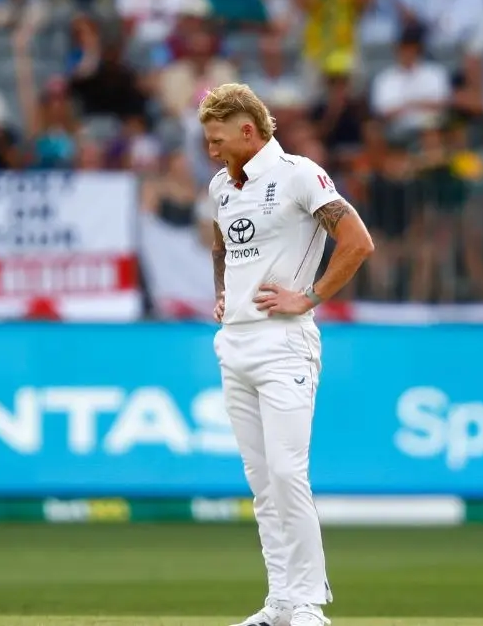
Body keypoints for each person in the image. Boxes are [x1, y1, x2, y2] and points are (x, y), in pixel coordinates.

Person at [201, 83, 374, 626]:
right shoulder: (220, 188)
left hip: (284, 344)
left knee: (286, 471)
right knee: (261, 482)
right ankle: (279, 601)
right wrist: (223, 291)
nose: (211, 150)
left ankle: (306, 604)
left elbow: (357, 241)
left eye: (218, 140)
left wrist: (312, 296)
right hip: (235, 342)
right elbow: (221, 246)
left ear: (248, 132)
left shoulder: (300, 174)